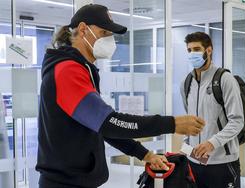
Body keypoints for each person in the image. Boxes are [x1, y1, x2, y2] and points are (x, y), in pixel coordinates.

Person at [36, 4, 205, 188]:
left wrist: (144, 154)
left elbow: (99, 126)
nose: (110, 41)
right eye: (104, 33)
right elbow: (108, 123)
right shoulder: (67, 70)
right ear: (83, 29)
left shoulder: (81, 68)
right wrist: (172, 124)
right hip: (64, 184)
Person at [180, 32, 244, 188]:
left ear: (209, 50)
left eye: (197, 49)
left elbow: (237, 121)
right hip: (194, 161)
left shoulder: (224, 79)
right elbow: (190, 121)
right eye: (189, 50)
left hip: (222, 162)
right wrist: (186, 145)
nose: (192, 53)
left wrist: (212, 143)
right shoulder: (186, 82)